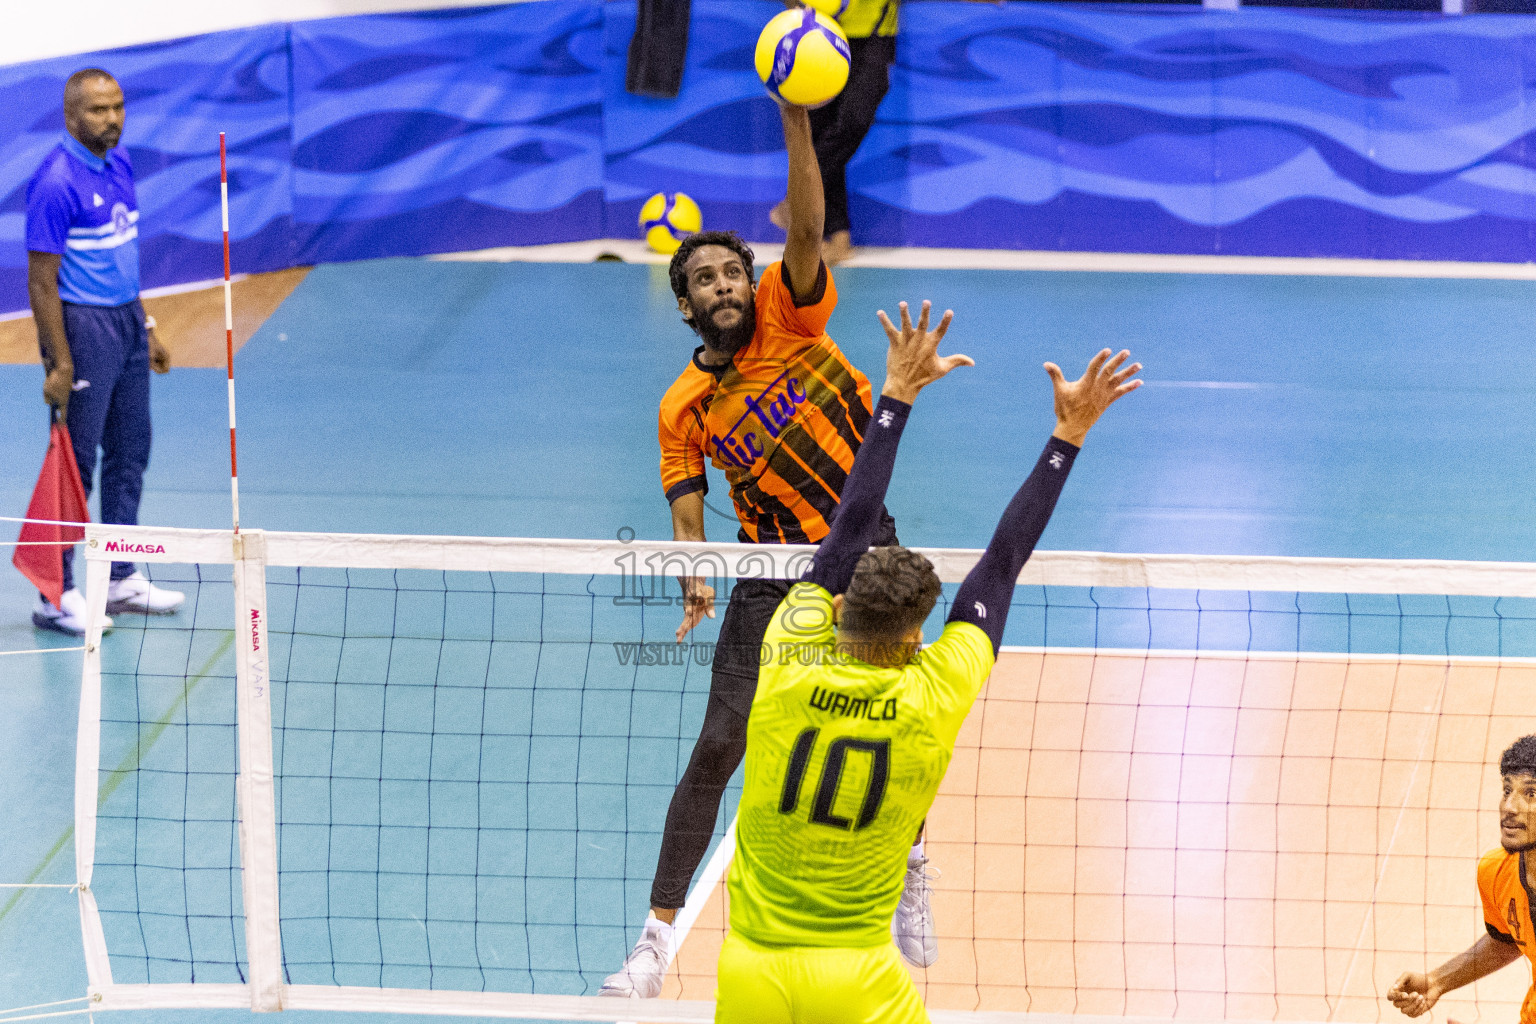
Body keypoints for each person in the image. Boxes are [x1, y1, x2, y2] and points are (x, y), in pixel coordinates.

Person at [714, 301, 1140, 1024]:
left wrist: (897, 393)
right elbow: (1001, 566)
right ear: (917, 640)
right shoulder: (934, 692)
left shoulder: (788, 653)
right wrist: (1068, 434)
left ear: (839, 609)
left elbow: (846, 528)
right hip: (857, 977)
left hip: (750, 963)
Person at [600, 100, 931, 998]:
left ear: (755, 283)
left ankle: (910, 863)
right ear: (685, 305)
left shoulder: (794, 309)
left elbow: (813, 222)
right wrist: (696, 576)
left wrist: (797, 124)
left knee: (894, 723)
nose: (723, 286)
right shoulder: (682, 407)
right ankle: (654, 943)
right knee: (718, 747)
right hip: (768, 571)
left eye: (731, 272)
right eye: (703, 279)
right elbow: (684, 509)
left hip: (864, 552)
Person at [26, 68, 183, 635]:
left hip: (125, 323)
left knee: (131, 449)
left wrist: (146, 324)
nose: (111, 118)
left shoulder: (119, 164)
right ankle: (55, 593)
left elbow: (123, 254)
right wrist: (61, 360)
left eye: (117, 107)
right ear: (72, 115)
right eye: (98, 110)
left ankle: (119, 577)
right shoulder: (55, 182)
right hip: (83, 327)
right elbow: (41, 282)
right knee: (77, 464)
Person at [1388, 734, 1536, 1022]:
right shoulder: (1496, 871)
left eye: (1531, 794)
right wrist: (1437, 981)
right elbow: (1510, 936)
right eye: (1507, 791)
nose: (1510, 806)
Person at [771, 0, 899, 266]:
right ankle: (838, 238)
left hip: (874, 34)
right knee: (821, 129)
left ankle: (795, 201)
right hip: (815, 32)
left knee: (852, 122)